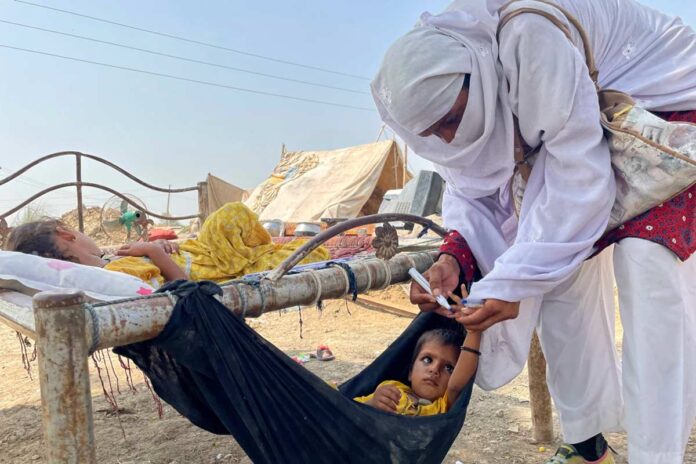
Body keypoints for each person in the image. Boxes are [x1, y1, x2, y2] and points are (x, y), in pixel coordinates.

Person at [371, 0, 695, 463]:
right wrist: (454, 257)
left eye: (450, 119)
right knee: (559, 278)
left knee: (649, 267)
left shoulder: (529, 41)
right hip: (593, 133)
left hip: (671, 121)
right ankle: (590, 445)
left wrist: (513, 283)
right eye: (431, 132)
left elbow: (578, 185)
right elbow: (475, 187)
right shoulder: (473, 93)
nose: (446, 139)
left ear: (476, 75)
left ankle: (657, 455)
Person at [6, 202, 329, 286]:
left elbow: (160, 263)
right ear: (67, 235)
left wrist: (163, 251)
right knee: (232, 214)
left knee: (229, 219)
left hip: (196, 254)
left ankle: (256, 248)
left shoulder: (110, 261)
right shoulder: (115, 272)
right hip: (210, 265)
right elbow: (184, 289)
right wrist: (155, 251)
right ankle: (255, 251)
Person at [355, 288, 482, 415]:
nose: (434, 370)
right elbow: (349, 411)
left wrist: (474, 329)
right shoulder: (392, 388)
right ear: (410, 371)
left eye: (449, 368)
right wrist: (373, 403)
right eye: (427, 360)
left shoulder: (441, 407)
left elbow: (457, 384)